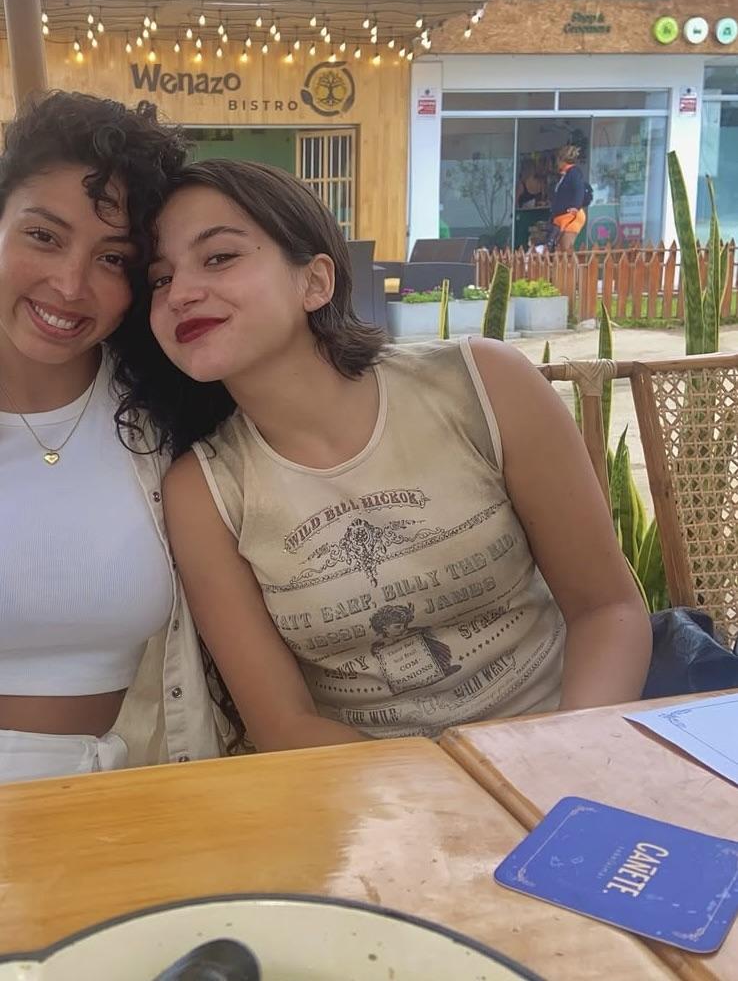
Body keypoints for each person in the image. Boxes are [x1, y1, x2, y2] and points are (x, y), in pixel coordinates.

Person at [144, 159, 651, 753]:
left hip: (565, 749)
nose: (180, 293)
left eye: (219, 257)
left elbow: (606, 609)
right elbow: (284, 724)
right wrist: (435, 796)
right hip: (369, 789)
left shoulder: (483, 385)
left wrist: (568, 758)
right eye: (159, 279)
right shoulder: (203, 491)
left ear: (315, 282)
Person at [0, 91, 223, 783]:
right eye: (43, 236)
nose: (70, 285)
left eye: (113, 259)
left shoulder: (170, 411)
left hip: (129, 796)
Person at [550, 145, 588, 252]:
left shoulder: (574, 173)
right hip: (562, 217)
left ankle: (573, 264)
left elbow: (579, 189)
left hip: (570, 217)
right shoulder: (565, 175)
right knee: (560, 249)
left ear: (562, 160)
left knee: (566, 248)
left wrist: (575, 206)